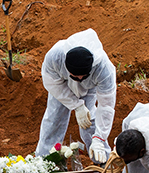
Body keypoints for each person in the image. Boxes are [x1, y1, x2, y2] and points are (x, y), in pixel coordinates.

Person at [35, 28, 116, 165]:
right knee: (54, 118)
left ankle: (102, 161)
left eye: (82, 76)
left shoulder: (103, 69)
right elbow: (51, 83)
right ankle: (45, 161)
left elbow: (106, 105)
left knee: (89, 121)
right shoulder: (55, 57)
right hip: (62, 85)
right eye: (75, 76)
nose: (78, 78)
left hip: (89, 88)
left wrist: (99, 137)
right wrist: (76, 106)